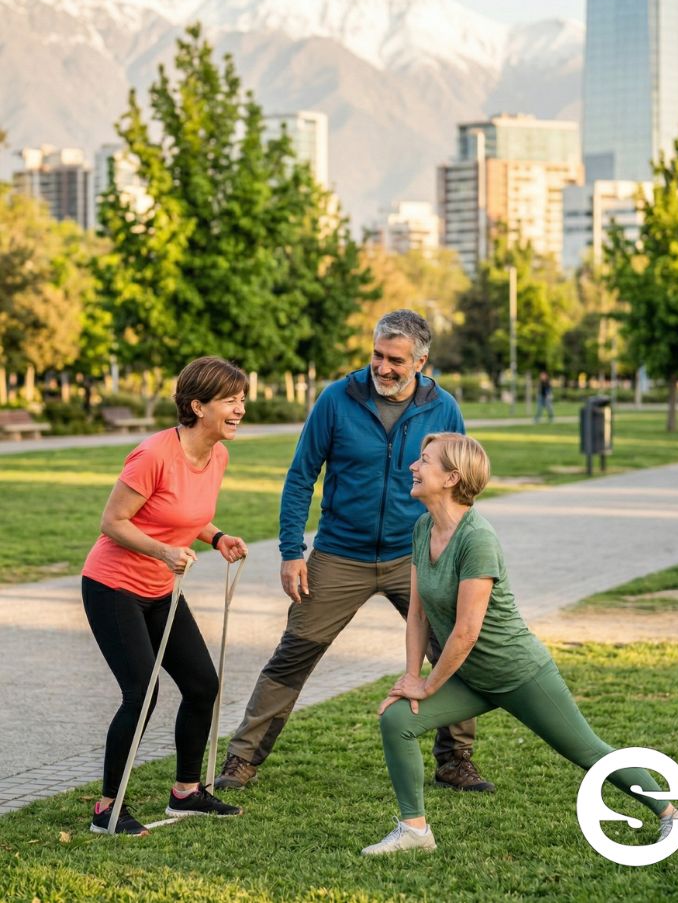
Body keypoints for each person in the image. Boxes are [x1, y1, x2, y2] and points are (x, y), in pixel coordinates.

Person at [362, 432, 678, 854]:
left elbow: (466, 631)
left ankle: (672, 816)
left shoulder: (476, 538)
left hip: (517, 671)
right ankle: (415, 830)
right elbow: (418, 614)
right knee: (397, 721)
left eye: (424, 460)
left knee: (589, 751)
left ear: (451, 478)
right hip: (470, 676)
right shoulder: (423, 527)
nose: (414, 466)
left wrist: (428, 686)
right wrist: (411, 676)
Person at [217, 310, 494, 795]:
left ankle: (455, 759)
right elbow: (302, 475)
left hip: (416, 554)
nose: (382, 369)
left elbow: (461, 482)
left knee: (451, 648)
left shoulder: (443, 407)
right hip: (340, 553)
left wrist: (454, 551)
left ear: (422, 361)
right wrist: (291, 550)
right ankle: (242, 758)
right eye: (377, 356)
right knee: (294, 653)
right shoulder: (337, 399)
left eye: (396, 361)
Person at [82, 356, 249, 835]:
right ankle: (107, 809)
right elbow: (112, 523)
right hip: (113, 586)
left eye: (242, 400)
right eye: (229, 400)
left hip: (159, 590)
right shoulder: (154, 454)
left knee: (202, 685)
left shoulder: (217, 455)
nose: (239, 408)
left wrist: (216, 538)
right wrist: (163, 551)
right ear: (198, 406)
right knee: (142, 691)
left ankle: (186, 793)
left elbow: (186, 514)